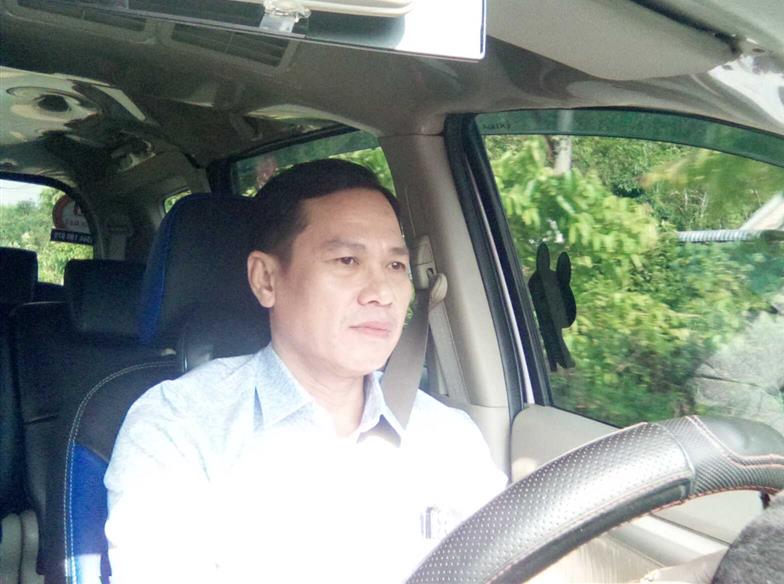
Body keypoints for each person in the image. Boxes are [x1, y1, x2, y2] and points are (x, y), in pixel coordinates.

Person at [104, 159, 506, 583]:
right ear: (266, 279)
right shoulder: (180, 426)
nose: (382, 294)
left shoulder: (446, 434)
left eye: (395, 266)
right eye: (347, 260)